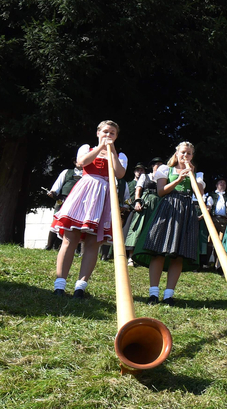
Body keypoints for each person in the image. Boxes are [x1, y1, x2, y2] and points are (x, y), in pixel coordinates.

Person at [50, 120, 127, 298]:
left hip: (104, 196)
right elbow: (82, 162)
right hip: (84, 193)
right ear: (98, 132)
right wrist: (100, 147)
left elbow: (120, 173)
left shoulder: (119, 155)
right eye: (105, 132)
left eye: (112, 133)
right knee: (70, 238)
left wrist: (112, 151)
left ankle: (80, 287)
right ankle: (60, 284)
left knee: (93, 242)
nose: (108, 136)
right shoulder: (87, 148)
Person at [132, 142, 205, 306]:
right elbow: (161, 191)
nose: (185, 156)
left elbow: (199, 193)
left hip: (186, 209)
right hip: (168, 207)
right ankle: (153, 293)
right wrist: (179, 179)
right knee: (158, 251)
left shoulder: (197, 174)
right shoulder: (166, 169)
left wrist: (191, 175)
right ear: (177, 153)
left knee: (178, 254)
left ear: (192, 156)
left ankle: (169, 295)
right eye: (183, 153)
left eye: (189, 154)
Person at [124, 158, 163, 265]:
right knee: (138, 227)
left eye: (161, 164)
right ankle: (131, 257)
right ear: (152, 166)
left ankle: (145, 258)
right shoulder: (145, 176)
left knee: (153, 229)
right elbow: (138, 190)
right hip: (145, 202)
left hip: (158, 204)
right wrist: (137, 202)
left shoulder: (164, 178)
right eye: (157, 164)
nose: (159, 166)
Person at [45, 160, 83, 250]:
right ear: (74, 162)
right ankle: (49, 246)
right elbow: (56, 187)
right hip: (63, 201)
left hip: (79, 203)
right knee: (57, 222)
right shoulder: (66, 172)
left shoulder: (88, 176)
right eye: (79, 161)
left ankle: (73, 249)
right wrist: (53, 193)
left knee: (75, 225)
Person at [206, 178, 227, 269]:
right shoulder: (210, 195)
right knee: (210, 240)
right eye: (221, 183)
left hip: (224, 220)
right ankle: (207, 262)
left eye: (224, 183)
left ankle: (218, 264)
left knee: (221, 242)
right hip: (213, 219)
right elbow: (208, 207)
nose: (222, 184)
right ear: (216, 185)